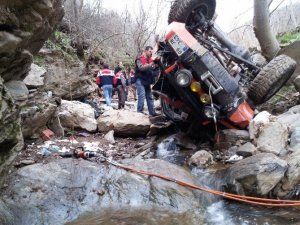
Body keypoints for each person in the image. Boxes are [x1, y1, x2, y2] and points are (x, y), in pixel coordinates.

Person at [135, 46, 157, 116]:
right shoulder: (139, 59)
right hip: (140, 80)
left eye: (151, 52)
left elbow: (153, 69)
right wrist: (151, 65)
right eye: (150, 51)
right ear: (146, 51)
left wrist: (155, 66)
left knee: (149, 96)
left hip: (147, 81)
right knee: (142, 95)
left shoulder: (151, 59)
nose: (151, 53)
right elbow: (141, 68)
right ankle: (139, 111)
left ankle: (152, 112)